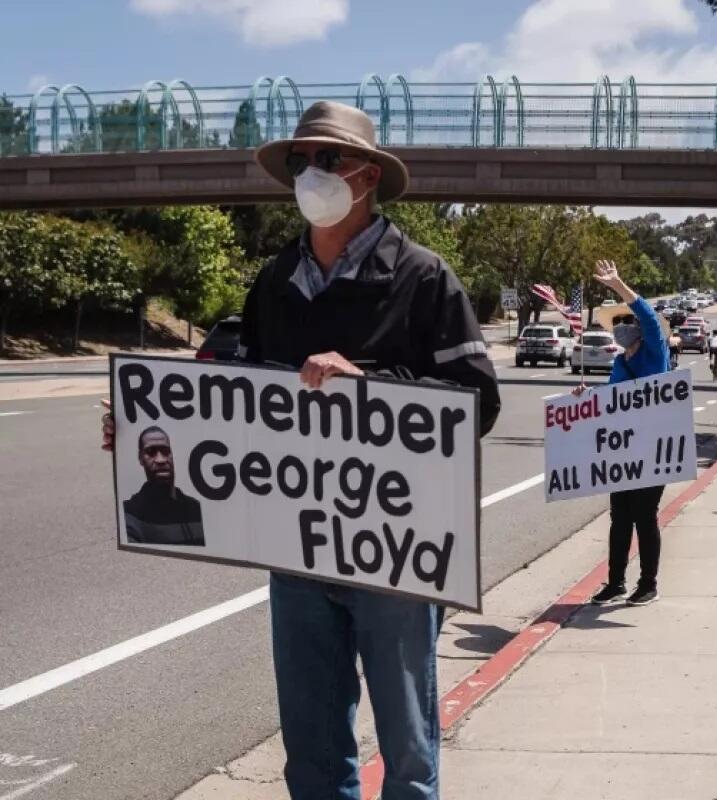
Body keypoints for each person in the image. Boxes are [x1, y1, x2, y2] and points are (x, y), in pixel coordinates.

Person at [103, 100, 501, 800]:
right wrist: (145, 427)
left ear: (368, 175)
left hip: (393, 561)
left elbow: (478, 400)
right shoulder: (274, 280)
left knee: (407, 752)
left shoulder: (425, 277)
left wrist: (369, 386)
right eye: (299, 162)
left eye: (326, 160)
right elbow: (239, 400)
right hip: (297, 556)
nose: (309, 174)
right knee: (311, 753)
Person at [577, 259, 670, 606]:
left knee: (644, 516)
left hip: (654, 447)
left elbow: (646, 313)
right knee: (619, 517)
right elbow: (610, 402)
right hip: (623, 450)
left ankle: (648, 583)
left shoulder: (654, 352)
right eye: (615, 323)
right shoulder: (620, 363)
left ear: (639, 329)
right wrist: (584, 399)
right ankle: (615, 581)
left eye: (624, 321)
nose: (618, 327)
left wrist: (618, 285)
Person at [122, 426, 205, 546]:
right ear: (140, 458)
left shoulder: (196, 508)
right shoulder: (130, 514)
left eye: (165, 451)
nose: (160, 459)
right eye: (151, 452)